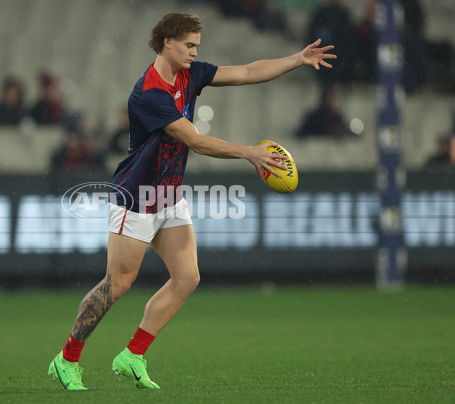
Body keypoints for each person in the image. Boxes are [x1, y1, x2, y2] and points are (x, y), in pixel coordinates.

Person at [48, 12, 335, 391]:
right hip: (136, 197)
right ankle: (66, 359)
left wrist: (296, 59)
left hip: (168, 195)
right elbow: (195, 140)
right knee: (117, 284)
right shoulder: (150, 93)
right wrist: (250, 153)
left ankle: (132, 355)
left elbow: (248, 72)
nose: (194, 52)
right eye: (189, 45)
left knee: (187, 277)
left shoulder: (191, 74)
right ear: (167, 41)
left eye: (196, 45)